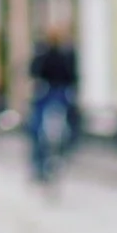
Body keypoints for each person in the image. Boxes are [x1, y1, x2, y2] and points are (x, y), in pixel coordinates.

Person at [28, 27, 78, 179]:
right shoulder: (46, 53)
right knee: (37, 128)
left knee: (42, 127)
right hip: (51, 91)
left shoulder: (65, 54)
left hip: (56, 91)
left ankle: (61, 154)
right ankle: (42, 163)